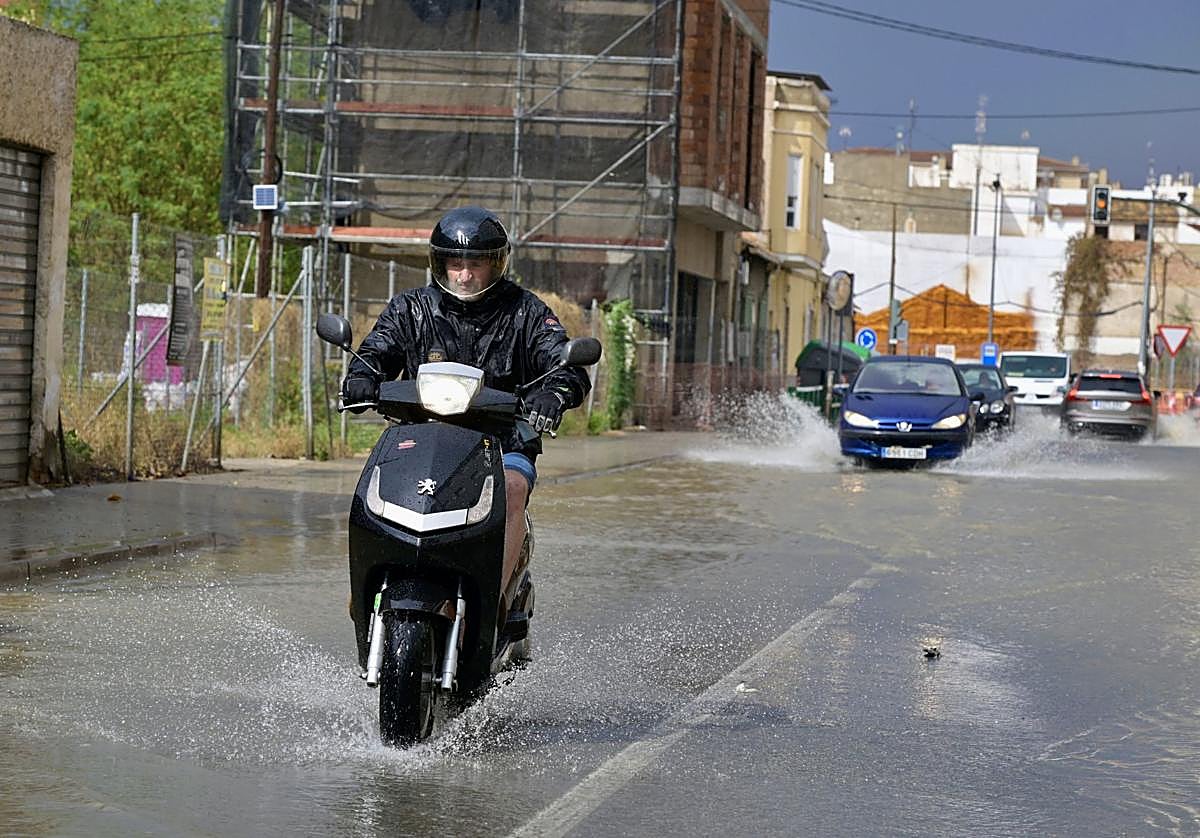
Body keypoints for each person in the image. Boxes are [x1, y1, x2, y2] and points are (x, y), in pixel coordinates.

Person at [340, 206, 591, 606]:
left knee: (511, 488)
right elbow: (375, 351)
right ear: (439, 263)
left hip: (503, 441)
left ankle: (495, 599)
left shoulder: (525, 312)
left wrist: (554, 393)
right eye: (455, 262)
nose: (464, 273)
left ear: (496, 265)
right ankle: (365, 591)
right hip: (419, 438)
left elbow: (564, 363)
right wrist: (360, 379)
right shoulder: (411, 309)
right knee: (371, 488)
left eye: (475, 263)